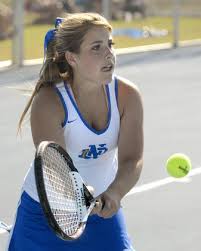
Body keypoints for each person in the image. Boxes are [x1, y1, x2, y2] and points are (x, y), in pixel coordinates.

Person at [7, 12, 143, 251]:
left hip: (102, 217)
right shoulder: (49, 102)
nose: (109, 53)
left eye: (110, 44)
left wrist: (114, 193)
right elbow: (56, 169)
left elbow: (132, 159)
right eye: (96, 47)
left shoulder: (127, 96)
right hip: (45, 219)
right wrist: (79, 192)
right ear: (72, 57)